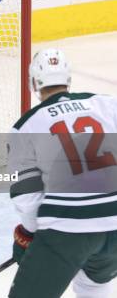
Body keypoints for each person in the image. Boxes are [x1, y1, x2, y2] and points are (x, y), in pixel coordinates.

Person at [8, 48, 117, 298]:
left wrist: (29, 234)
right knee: (93, 285)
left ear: (34, 83)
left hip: (69, 228)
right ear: (68, 79)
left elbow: (27, 197)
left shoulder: (24, 127)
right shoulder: (108, 104)